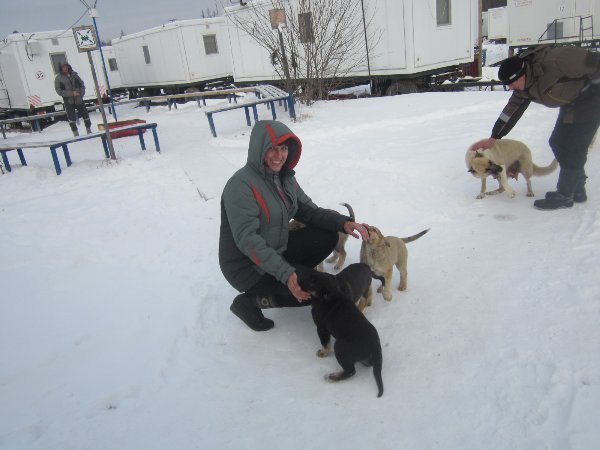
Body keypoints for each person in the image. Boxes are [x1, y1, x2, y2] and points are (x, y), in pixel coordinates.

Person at [219, 120, 369, 331]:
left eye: (283, 148)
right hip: (247, 266)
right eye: (272, 148)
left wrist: (343, 222)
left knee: (328, 236)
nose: (279, 155)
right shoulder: (241, 186)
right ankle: (249, 302)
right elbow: (248, 240)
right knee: (321, 291)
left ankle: (293, 277)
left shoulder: (284, 178)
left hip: (275, 248)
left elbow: (309, 211)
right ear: (259, 149)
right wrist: (285, 273)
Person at [473, 45, 599, 210]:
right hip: (572, 104)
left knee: (575, 148)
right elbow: (510, 112)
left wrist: (593, 90)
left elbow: (595, 62)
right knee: (557, 142)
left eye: (511, 83)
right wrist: (494, 137)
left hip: (592, 102)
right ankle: (577, 187)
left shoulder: (557, 60)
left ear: (521, 75)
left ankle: (564, 194)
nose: (510, 88)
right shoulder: (523, 87)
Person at [54, 63, 92, 136]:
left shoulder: (75, 75)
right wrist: (71, 93)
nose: (65, 68)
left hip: (79, 99)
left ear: (68, 67)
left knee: (85, 115)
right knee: (71, 118)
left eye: (66, 67)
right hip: (68, 101)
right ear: (61, 68)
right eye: (63, 67)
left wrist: (81, 94)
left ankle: (89, 130)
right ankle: (75, 134)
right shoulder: (58, 78)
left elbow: (82, 84)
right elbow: (59, 91)